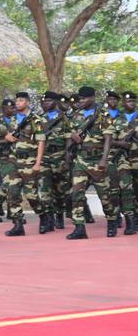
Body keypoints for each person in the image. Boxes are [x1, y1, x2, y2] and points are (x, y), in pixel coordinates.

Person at [66, 86, 119, 239]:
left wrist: (104, 159)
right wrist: (72, 142)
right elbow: (71, 134)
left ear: (93, 98)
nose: (81, 101)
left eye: (84, 98)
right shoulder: (76, 115)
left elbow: (108, 139)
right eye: (80, 98)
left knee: (105, 196)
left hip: (97, 160)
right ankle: (79, 228)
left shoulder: (103, 115)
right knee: (76, 193)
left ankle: (112, 221)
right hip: (81, 160)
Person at [2, 92, 47, 236]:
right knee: (12, 193)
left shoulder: (36, 120)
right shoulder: (13, 119)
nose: (17, 103)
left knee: (31, 195)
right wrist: (7, 137)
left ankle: (44, 216)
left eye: (21, 100)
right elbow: (8, 135)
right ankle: (18, 224)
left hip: (29, 162)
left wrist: (38, 163)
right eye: (17, 100)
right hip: (14, 161)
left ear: (27, 102)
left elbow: (41, 142)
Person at [38, 91, 71, 231]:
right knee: (45, 189)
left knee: (60, 190)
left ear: (56, 102)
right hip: (44, 157)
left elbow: (69, 140)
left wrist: (67, 159)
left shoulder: (64, 119)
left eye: (49, 101)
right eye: (44, 101)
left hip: (60, 157)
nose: (46, 103)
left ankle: (59, 214)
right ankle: (48, 219)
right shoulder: (38, 119)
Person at [115, 91, 137, 235]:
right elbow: (107, 140)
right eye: (128, 101)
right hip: (123, 159)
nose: (131, 103)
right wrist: (120, 143)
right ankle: (130, 221)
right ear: (122, 102)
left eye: (133, 101)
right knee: (126, 188)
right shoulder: (115, 119)